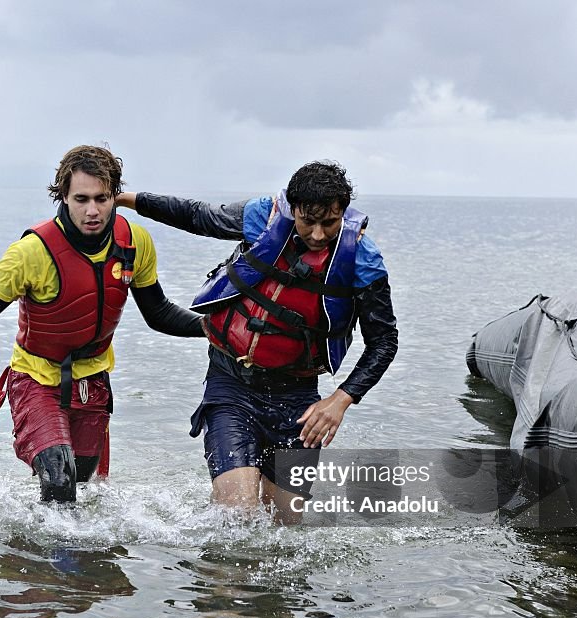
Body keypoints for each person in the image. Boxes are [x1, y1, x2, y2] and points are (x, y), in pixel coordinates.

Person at [0, 145, 204, 502]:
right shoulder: (31, 253)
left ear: (115, 196)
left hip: (93, 383)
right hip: (35, 378)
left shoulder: (133, 243)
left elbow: (158, 312)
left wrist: (213, 329)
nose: (92, 210)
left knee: (78, 490)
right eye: (81, 198)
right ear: (63, 196)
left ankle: (60, 558)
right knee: (58, 477)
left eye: (102, 198)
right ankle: (43, 556)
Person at [116, 161, 398, 522]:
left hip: (297, 398)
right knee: (238, 517)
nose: (316, 234)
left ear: (343, 211)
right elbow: (196, 216)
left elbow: (384, 341)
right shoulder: (262, 218)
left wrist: (340, 400)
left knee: (286, 528)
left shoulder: (363, 260)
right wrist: (125, 199)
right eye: (306, 220)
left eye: (328, 222)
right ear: (292, 208)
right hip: (231, 384)